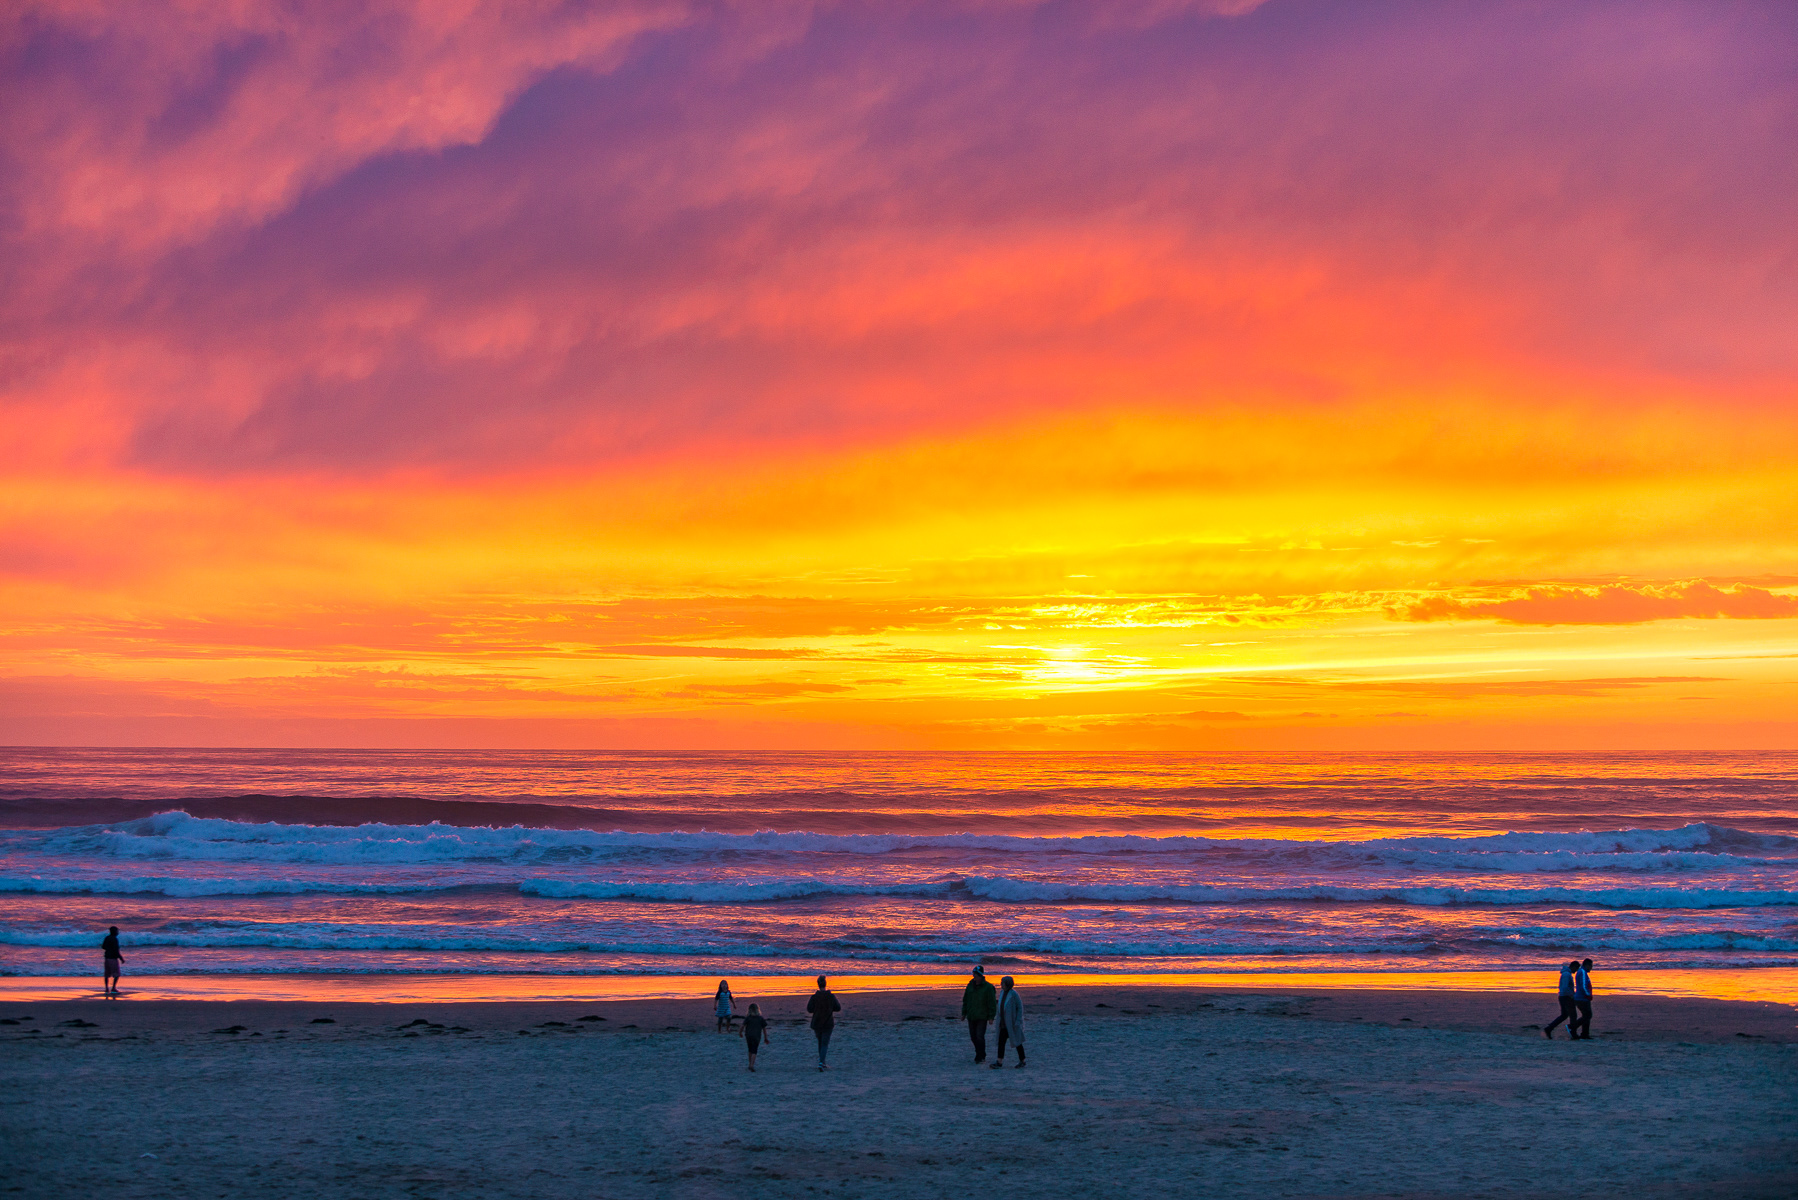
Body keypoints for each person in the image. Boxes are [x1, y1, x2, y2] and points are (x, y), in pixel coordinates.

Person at [962, 965, 997, 1063]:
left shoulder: (988, 987)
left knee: (980, 1036)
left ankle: (980, 1055)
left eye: (976, 975)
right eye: (973, 975)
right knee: (973, 1037)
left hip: (982, 1016)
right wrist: (964, 1013)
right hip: (971, 1015)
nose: (974, 977)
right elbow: (966, 999)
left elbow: (992, 1002)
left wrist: (991, 1017)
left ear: (981, 976)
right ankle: (979, 1052)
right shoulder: (970, 985)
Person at [805, 975, 841, 1071]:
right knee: (824, 1043)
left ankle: (822, 1062)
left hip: (817, 1022)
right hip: (828, 1023)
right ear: (826, 984)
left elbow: (809, 1009)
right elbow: (838, 1008)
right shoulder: (831, 996)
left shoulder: (814, 997)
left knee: (820, 1042)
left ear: (818, 985)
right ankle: (821, 1062)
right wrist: (830, 1008)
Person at [991, 975, 1025, 1069]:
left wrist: (1018, 1021)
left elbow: (1020, 1007)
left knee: (1017, 1041)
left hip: (1012, 1023)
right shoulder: (1002, 992)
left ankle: (1022, 1060)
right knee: (1001, 1042)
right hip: (1003, 1023)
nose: (1001, 984)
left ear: (1007, 984)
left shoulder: (1014, 994)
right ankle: (999, 1061)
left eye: (1002, 982)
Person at [1544, 959, 1578, 1038]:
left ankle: (1549, 1028)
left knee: (1564, 1015)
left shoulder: (1566, 974)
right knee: (1573, 1015)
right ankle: (1573, 1033)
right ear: (1573, 967)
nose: (1576, 971)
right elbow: (1565, 987)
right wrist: (1572, 995)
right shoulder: (1567, 974)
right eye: (1576, 969)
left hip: (1563, 996)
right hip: (1566, 997)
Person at [1571, 958, 1594, 1040]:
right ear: (1587, 965)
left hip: (1582, 997)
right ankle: (1572, 1027)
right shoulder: (1583, 972)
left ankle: (1585, 1034)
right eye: (1591, 966)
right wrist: (1588, 995)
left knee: (1586, 1016)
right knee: (1588, 1015)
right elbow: (1584, 985)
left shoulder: (1581, 972)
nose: (1591, 968)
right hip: (1582, 998)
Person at [741, 1003, 769, 1071]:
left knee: (750, 1049)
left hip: (748, 1036)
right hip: (757, 1036)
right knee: (754, 1050)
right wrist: (765, 1038)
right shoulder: (760, 1018)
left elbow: (742, 1026)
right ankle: (751, 1065)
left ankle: (750, 1064)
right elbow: (764, 1029)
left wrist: (740, 1032)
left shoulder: (748, 1018)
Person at [101, 926, 123, 997]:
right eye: (117, 931)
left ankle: (107, 988)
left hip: (107, 958)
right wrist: (121, 958)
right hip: (113, 958)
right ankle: (113, 988)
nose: (118, 932)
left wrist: (108, 948)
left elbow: (103, 947)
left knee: (107, 974)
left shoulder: (107, 938)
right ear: (114, 932)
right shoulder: (114, 939)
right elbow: (116, 950)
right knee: (116, 974)